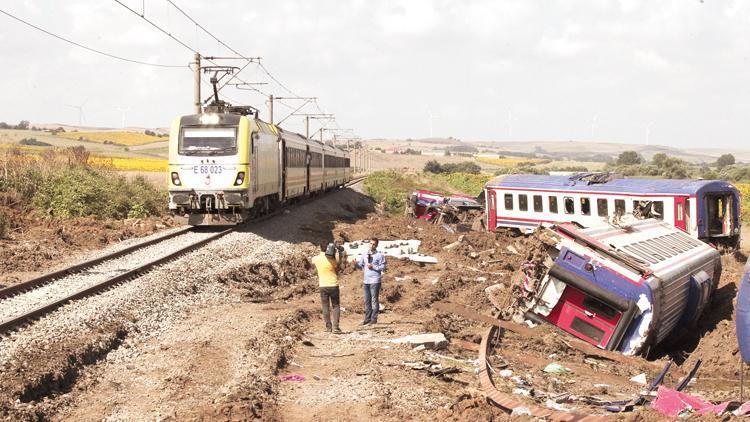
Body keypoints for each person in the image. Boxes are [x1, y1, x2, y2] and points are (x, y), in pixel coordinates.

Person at [352, 238, 386, 325]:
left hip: (375, 280)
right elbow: (361, 266)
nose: (372, 245)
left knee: (374, 300)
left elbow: (383, 267)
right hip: (366, 280)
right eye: (370, 243)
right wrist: (356, 264)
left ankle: (374, 319)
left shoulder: (380, 255)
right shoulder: (364, 254)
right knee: (367, 300)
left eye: (374, 244)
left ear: (377, 245)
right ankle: (367, 318)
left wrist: (373, 266)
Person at [311, 242, 341, 333]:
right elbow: (338, 268)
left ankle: (328, 327)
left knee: (325, 307)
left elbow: (313, 262)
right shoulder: (332, 260)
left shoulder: (315, 259)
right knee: (336, 306)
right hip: (333, 285)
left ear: (320, 248)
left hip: (323, 286)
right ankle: (336, 327)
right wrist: (337, 254)